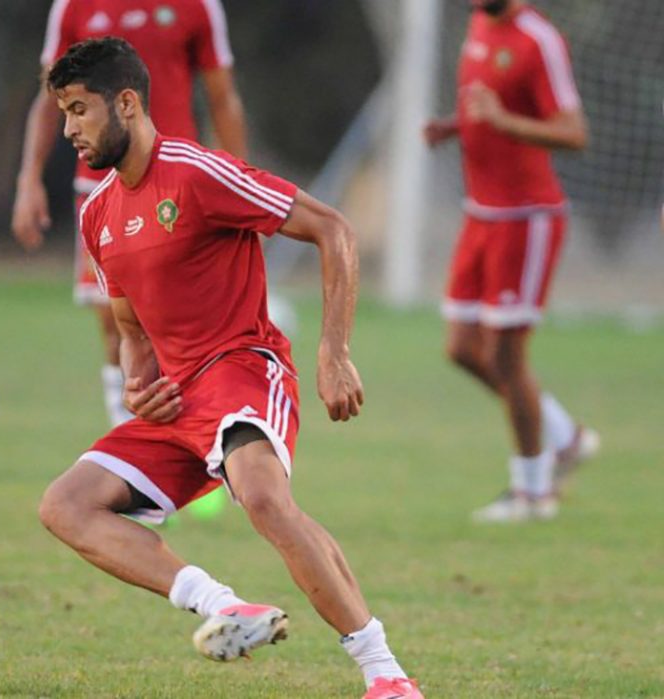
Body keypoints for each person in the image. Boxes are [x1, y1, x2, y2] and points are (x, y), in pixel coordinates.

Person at [37, 38, 423, 699]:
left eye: (79, 109)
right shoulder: (98, 213)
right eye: (64, 113)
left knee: (265, 499)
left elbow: (334, 230)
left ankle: (385, 673)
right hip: (177, 406)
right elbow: (131, 330)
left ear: (127, 103)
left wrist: (333, 350)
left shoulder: (197, 173)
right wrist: (139, 382)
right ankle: (221, 604)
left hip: (243, 368)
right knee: (65, 505)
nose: (68, 129)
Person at [12, 0, 248, 428]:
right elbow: (49, 99)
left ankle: (202, 437)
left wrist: (238, 186)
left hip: (178, 187)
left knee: (178, 322)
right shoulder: (72, 7)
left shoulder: (199, 6)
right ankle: (132, 446)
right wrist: (29, 179)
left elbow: (222, 97)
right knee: (115, 321)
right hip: (98, 185)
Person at [424, 0, 599, 523]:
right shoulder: (480, 22)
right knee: (461, 347)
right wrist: (457, 127)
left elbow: (574, 133)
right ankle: (566, 436)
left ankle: (534, 493)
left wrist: (501, 120)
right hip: (481, 212)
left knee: (506, 357)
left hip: (528, 217)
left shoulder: (538, 40)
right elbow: (491, 109)